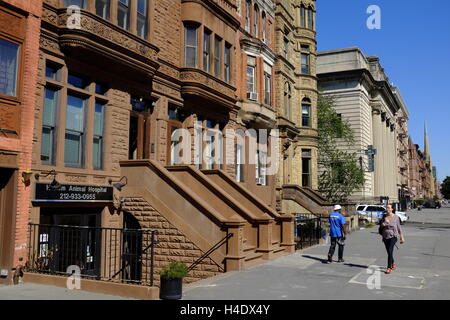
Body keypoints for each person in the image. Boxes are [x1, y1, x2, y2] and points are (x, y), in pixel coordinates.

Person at [379, 204, 405, 274]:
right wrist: (384, 223)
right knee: (389, 252)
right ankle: (393, 263)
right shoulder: (384, 216)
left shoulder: (396, 217)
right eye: (386, 207)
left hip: (393, 236)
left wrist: (401, 237)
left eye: (388, 207)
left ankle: (388, 267)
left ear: (392, 209)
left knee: (390, 251)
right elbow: (381, 225)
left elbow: (399, 227)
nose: (387, 209)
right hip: (385, 236)